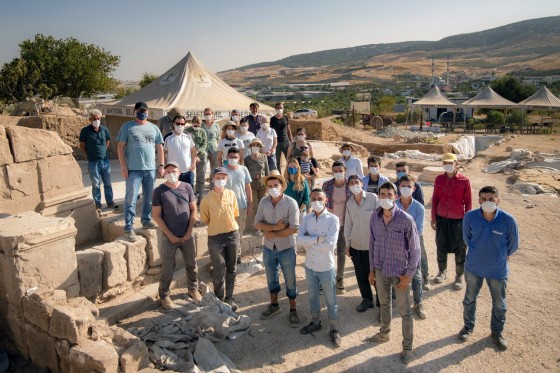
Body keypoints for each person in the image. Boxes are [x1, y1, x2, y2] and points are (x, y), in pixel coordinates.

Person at [459, 186, 519, 351]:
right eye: (484, 199)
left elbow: (513, 245)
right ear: (479, 200)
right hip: (473, 268)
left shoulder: (508, 220)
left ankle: (497, 333)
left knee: (499, 304)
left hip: (497, 270)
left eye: (491, 199)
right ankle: (468, 327)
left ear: (498, 200)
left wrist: (499, 255)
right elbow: (467, 238)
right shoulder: (470, 217)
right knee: (470, 299)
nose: (487, 202)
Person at [367, 181, 420, 365]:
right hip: (381, 270)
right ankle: (384, 333)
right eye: (382, 195)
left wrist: (409, 275)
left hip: (400, 272)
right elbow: (372, 244)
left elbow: (415, 250)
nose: (386, 198)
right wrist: (372, 269)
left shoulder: (406, 220)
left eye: (389, 195)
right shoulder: (375, 217)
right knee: (384, 304)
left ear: (396, 197)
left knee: (405, 311)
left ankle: (407, 348)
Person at [152, 161, 201, 310]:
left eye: (174, 171)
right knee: (167, 267)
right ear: (164, 174)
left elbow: (193, 210)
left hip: (187, 235)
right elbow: (156, 216)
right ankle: (164, 295)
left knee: (191, 264)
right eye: (168, 172)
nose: (171, 174)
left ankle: (193, 289)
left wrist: (188, 232)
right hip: (169, 237)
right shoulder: (159, 191)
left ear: (179, 172)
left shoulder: (187, 187)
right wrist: (170, 235)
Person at [254, 171, 300, 326]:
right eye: (270, 186)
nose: (273, 188)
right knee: (271, 278)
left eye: (276, 185)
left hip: (286, 247)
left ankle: (293, 309)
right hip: (268, 248)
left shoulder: (291, 203)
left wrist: (272, 233)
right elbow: (258, 223)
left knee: (290, 279)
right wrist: (275, 227)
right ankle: (274, 305)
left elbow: (293, 228)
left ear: (282, 186)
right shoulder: (263, 202)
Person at [297, 188, 341, 347]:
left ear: (326, 200)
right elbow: (298, 240)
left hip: (326, 267)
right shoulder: (307, 218)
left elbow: (330, 246)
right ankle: (316, 322)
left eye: (319, 198)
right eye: (314, 198)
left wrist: (309, 240)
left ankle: (334, 329)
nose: (316, 201)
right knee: (312, 296)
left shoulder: (333, 219)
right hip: (309, 265)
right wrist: (318, 240)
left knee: (330, 299)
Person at [117, 102, 164, 242]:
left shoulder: (154, 128)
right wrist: (123, 166)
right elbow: (120, 147)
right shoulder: (127, 127)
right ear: (134, 111)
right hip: (133, 170)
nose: (142, 113)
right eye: (139, 110)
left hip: (150, 169)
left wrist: (161, 164)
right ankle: (129, 227)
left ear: (148, 112)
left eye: (144, 111)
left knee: (149, 197)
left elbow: (160, 147)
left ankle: (145, 220)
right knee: (130, 198)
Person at [200, 167, 240, 311]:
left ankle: (229, 297)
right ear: (212, 178)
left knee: (232, 268)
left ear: (227, 179)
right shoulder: (206, 199)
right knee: (218, 268)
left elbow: (235, 213)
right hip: (215, 238)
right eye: (218, 177)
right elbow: (205, 219)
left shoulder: (231, 194)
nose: (220, 180)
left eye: (223, 177)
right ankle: (218, 299)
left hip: (232, 235)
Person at [431, 153, 472, 290]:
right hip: (442, 219)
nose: (448, 165)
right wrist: (433, 218)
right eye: (445, 163)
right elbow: (435, 199)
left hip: (459, 220)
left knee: (460, 248)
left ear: (456, 163)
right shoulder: (439, 179)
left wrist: (468, 222)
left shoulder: (464, 181)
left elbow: (468, 203)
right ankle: (442, 271)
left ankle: (459, 275)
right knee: (441, 246)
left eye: (450, 162)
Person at [344, 174, 379, 312]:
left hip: (372, 245)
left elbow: (380, 220)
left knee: (376, 274)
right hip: (356, 245)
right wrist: (347, 244)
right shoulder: (349, 203)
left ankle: (383, 302)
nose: (354, 185)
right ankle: (367, 299)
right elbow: (348, 225)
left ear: (362, 183)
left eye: (356, 182)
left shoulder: (373, 198)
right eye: (351, 183)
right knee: (360, 274)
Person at [395, 175, 428, 319]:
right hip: (395, 246)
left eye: (409, 186)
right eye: (403, 186)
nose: (406, 189)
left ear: (414, 189)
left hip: (414, 245)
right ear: (399, 187)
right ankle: (393, 303)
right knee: (394, 274)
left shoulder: (419, 207)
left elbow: (419, 230)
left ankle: (418, 302)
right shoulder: (393, 204)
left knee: (416, 275)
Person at [322, 161, 351, 293]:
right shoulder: (326, 185)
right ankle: (326, 278)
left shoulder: (351, 185)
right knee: (327, 251)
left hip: (345, 224)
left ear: (345, 170)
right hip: (329, 224)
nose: (338, 173)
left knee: (341, 253)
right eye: (335, 170)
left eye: (340, 170)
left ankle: (339, 279)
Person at [79, 109, 116, 210]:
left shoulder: (104, 130)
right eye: (95, 119)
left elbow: (107, 141)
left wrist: (103, 151)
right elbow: (82, 145)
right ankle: (98, 204)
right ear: (90, 119)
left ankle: (110, 202)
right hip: (93, 162)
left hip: (105, 161)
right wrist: (88, 154)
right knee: (96, 184)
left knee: (107, 183)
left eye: (98, 118)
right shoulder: (85, 131)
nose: (97, 120)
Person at [224, 147, 252, 259]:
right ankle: (227, 254)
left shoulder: (244, 169)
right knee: (226, 231)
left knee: (239, 232)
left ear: (239, 158)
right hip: (226, 207)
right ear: (227, 157)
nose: (233, 159)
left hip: (241, 206)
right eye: (231, 157)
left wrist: (250, 204)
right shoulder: (222, 170)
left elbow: (248, 188)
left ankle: (237, 254)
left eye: (235, 157)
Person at [163, 115, 197, 188]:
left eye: (182, 124)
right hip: (173, 172)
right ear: (173, 124)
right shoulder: (167, 138)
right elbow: (163, 153)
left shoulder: (189, 136)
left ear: (185, 125)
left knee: (188, 195)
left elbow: (194, 151)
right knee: (173, 194)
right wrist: (165, 167)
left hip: (187, 171)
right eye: (178, 123)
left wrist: (193, 164)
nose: (180, 125)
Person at [244, 138, 270, 222]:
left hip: (262, 183)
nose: (255, 147)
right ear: (251, 147)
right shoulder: (247, 159)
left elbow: (267, 171)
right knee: (254, 204)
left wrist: (267, 184)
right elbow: (245, 174)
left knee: (264, 204)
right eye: (253, 145)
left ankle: (264, 222)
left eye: (257, 145)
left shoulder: (264, 156)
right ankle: (257, 225)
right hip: (252, 184)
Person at [185, 116, 208, 203]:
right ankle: (190, 196)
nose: (197, 127)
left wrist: (198, 152)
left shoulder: (203, 131)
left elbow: (204, 144)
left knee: (201, 177)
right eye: (195, 126)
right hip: (190, 156)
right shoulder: (187, 131)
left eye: (198, 126)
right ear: (192, 123)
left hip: (201, 156)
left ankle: (200, 196)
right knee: (189, 176)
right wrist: (194, 154)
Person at [270, 102, 292, 171]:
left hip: (286, 142)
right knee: (277, 162)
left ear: (283, 109)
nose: (279, 109)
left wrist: (291, 141)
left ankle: (289, 175)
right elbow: (270, 132)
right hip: (276, 143)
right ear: (275, 109)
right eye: (278, 108)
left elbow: (289, 130)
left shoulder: (285, 118)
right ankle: (279, 177)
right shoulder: (272, 119)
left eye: (281, 108)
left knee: (289, 160)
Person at [202, 107, 221, 174]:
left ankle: (213, 184)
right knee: (202, 169)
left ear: (212, 114)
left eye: (209, 114)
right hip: (203, 150)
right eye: (206, 114)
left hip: (214, 149)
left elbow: (218, 138)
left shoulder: (216, 126)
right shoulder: (201, 125)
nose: (207, 116)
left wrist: (219, 149)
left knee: (215, 169)